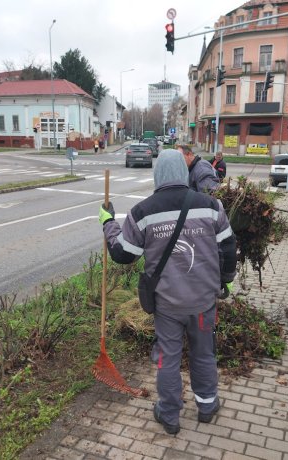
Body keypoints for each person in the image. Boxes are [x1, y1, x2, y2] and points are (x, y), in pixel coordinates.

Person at [99, 149, 237, 435]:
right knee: (203, 354)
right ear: (183, 173)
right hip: (203, 302)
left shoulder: (143, 212)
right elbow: (228, 247)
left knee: (168, 358)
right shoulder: (211, 206)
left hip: (167, 306)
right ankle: (208, 405)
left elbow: (123, 254)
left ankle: (170, 415)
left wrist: (108, 222)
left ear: (157, 174)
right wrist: (226, 279)